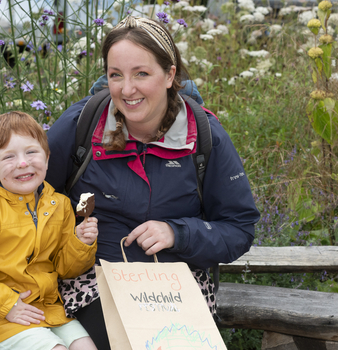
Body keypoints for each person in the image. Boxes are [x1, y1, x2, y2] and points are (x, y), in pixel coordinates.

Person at [45, 15, 261, 350]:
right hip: (96, 281)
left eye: (141, 74)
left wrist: (178, 232)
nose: (126, 89)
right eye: (115, 75)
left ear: (170, 74)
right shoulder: (81, 125)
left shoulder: (204, 136)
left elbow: (239, 228)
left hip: (179, 285)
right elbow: (18, 197)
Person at [0, 111, 99, 350]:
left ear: (47, 159)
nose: (23, 163)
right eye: (8, 157)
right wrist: (6, 304)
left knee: (86, 346)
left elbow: (66, 270)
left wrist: (80, 243)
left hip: (48, 309)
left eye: (31, 152)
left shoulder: (59, 205)